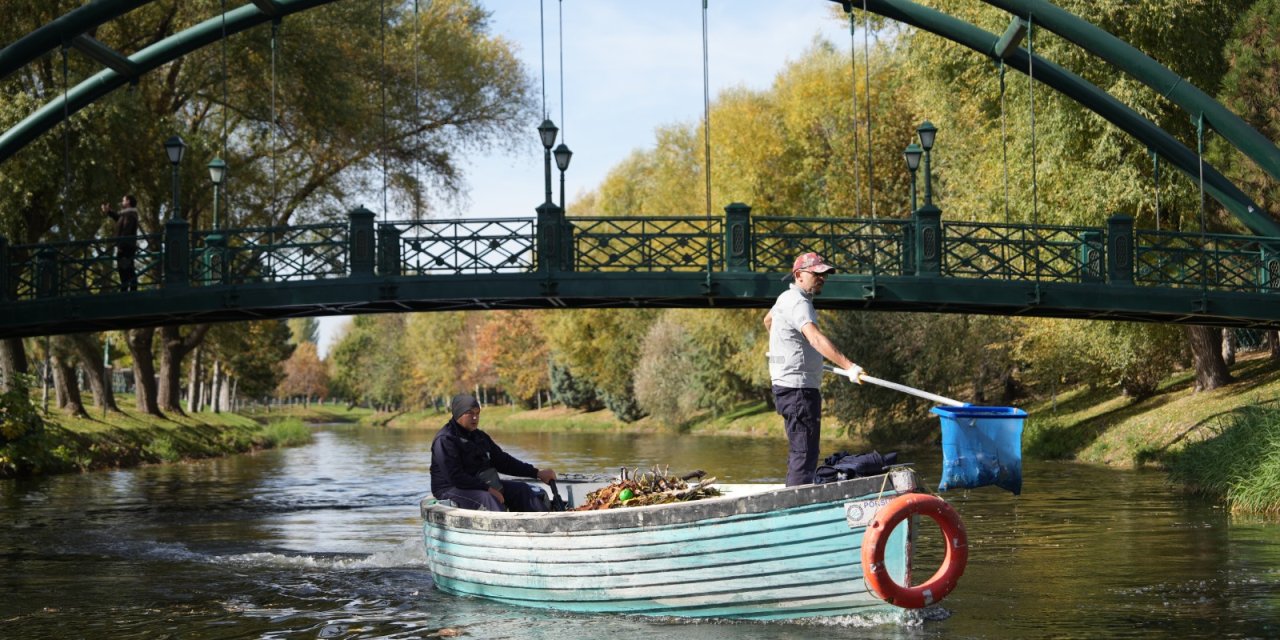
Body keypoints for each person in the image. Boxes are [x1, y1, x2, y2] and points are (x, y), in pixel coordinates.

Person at [764, 252, 864, 486]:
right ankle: (797, 506)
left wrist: (786, 349)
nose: (822, 279)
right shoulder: (799, 302)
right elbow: (816, 339)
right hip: (799, 391)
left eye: (824, 275)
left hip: (786, 388)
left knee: (802, 451)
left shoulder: (785, 297)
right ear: (799, 275)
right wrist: (850, 367)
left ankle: (795, 495)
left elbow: (768, 321)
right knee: (804, 454)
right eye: (816, 274)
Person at [429, 393, 557, 511]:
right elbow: (456, 477)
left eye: (477, 413)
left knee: (522, 489)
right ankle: (505, 532)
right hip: (450, 489)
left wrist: (537, 473)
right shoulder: (445, 439)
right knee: (489, 498)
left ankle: (548, 526)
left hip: (480, 484)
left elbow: (503, 462)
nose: (475, 417)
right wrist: (488, 489)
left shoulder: (480, 437)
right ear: (458, 414)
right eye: (469, 413)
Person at [101, 195, 140, 291]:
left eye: (123, 200)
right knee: (126, 269)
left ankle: (129, 291)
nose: (122, 202)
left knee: (126, 270)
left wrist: (120, 245)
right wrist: (109, 212)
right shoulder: (127, 214)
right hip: (126, 246)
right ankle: (127, 290)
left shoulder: (130, 215)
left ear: (128, 202)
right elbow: (119, 218)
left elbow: (126, 231)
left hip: (126, 247)